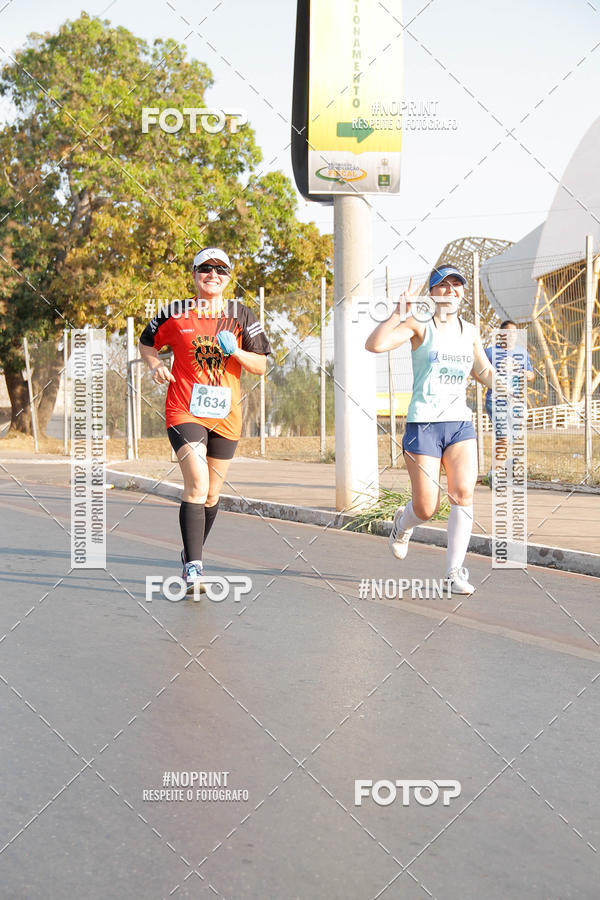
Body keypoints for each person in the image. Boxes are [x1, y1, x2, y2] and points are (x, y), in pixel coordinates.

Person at [139, 247, 271, 594]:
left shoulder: (242, 315)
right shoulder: (175, 312)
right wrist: (155, 365)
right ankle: (194, 567)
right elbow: (147, 343)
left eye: (221, 270)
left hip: (226, 416)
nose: (213, 275)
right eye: (205, 269)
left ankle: (190, 550)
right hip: (184, 409)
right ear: (194, 274)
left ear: (229, 278)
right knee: (196, 484)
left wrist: (236, 352)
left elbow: (261, 366)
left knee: (212, 495)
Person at [365, 263, 499, 595]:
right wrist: (397, 312)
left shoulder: (469, 331)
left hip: (459, 423)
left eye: (457, 285)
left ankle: (454, 572)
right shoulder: (419, 324)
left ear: (463, 292)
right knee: (427, 507)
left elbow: (482, 369)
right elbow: (375, 345)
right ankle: (402, 523)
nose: (450, 290)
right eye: (443, 285)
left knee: (463, 493)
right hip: (424, 423)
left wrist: (505, 384)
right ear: (432, 293)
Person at [484, 320, 534, 488]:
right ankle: (496, 474)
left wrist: (528, 374)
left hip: (515, 402)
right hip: (496, 400)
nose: (511, 336)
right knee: (504, 438)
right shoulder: (490, 353)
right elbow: (479, 370)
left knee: (512, 438)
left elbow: (532, 374)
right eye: (508, 333)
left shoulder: (522, 352)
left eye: (514, 333)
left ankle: (498, 466)